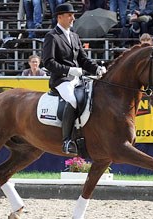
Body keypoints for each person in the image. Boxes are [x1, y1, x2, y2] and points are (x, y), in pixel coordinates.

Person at [42, 3, 106, 154]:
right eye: (69, 15)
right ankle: (67, 141)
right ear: (60, 17)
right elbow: (48, 62)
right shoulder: (52, 36)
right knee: (72, 100)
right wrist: (69, 70)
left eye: (73, 15)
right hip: (61, 80)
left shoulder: (74, 36)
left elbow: (83, 59)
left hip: (77, 79)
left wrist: (96, 68)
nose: (73, 18)